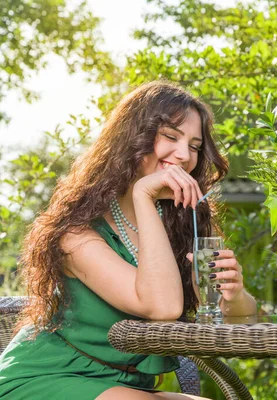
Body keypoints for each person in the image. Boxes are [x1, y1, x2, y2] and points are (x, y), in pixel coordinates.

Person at [0, 81, 257, 399]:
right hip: (48, 375)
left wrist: (234, 293)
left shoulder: (180, 225)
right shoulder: (75, 235)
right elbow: (161, 306)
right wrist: (143, 193)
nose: (184, 155)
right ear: (135, 137)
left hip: (126, 387)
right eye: (171, 137)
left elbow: (240, 319)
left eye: (194, 145)